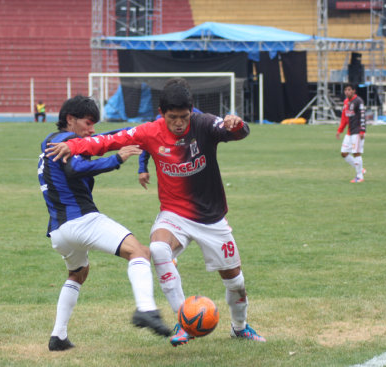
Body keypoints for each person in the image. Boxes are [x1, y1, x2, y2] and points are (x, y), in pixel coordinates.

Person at [46, 79, 266, 347]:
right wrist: (75, 146)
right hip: (174, 215)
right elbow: (109, 140)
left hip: (211, 219)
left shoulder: (205, 123)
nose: (179, 123)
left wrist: (237, 124)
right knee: (158, 249)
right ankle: (183, 321)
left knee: (236, 283)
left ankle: (240, 327)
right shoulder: (151, 130)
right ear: (162, 114)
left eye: (184, 117)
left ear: (191, 111)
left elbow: (238, 132)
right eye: (172, 118)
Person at [38, 95, 171, 352]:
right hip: (81, 220)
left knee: (78, 273)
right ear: (70, 120)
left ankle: (58, 336)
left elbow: (99, 141)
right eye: (88, 124)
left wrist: (133, 132)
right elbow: (75, 168)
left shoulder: (50, 142)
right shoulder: (65, 142)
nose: (92, 130)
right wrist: (117, 159)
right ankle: (146, 310)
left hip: (59, 230)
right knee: (139, 252)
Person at [336, 83, 366, 183]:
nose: (347, 92)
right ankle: (360, 169)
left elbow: (362, 116)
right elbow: (344, 118)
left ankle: (359, 176)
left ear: (353, 91)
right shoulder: (346, 102)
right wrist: (340, 130)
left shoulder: (358, 101)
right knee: (344, 153)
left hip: (357, 131)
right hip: (349, 132)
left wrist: (362, 130)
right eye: (346, 90)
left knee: (356, 153)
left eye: (349, 90)